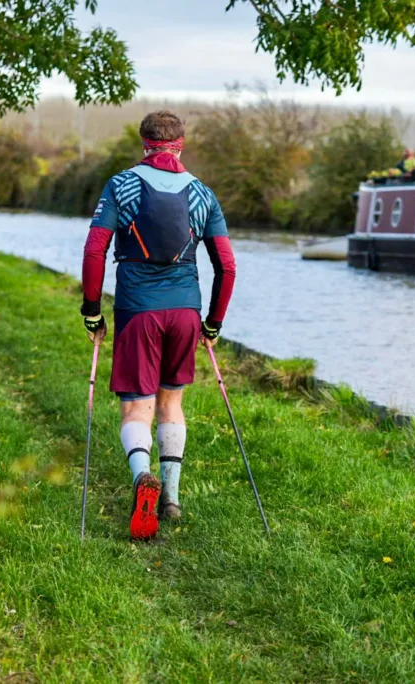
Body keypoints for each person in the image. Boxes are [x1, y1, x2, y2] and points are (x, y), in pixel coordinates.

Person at [80, 110, 236, 541]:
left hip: (138, 311)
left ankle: (141, 479)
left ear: (144, 143)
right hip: (185, 311)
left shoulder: (122, 184)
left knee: (136, 408)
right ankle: (170, 497)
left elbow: (95, 251)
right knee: (172, 404)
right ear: (181, 143)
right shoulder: (204, 194)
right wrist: (213, 323)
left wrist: (91, 310)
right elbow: (226, 265)